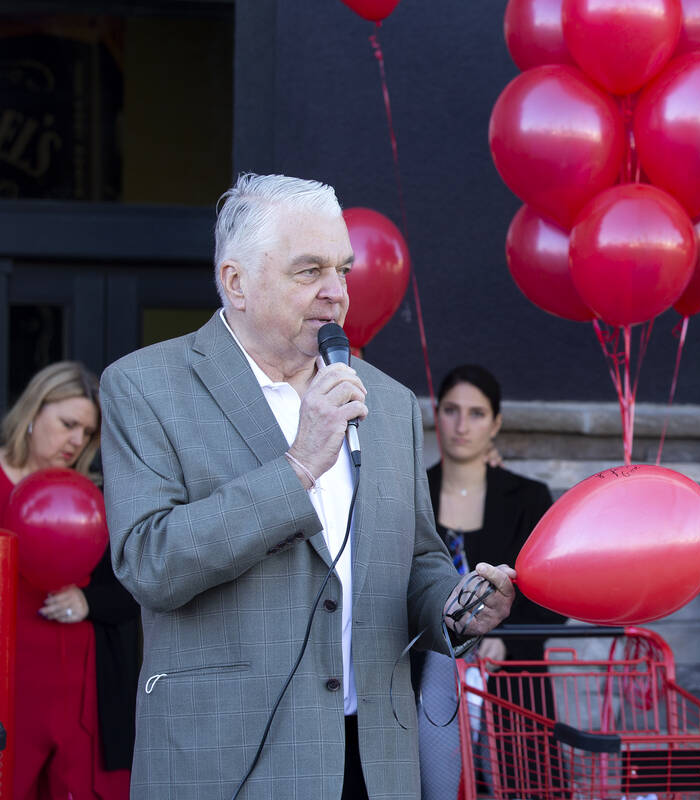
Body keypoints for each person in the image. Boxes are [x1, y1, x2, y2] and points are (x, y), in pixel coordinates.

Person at [100, 173, 516, 800]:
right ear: (236, 281)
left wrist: (459, 607)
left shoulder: (390, 400)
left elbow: (419, 560)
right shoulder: (146, 386)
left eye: (344, 270)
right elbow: (150, 564)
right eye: (309, 271)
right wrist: (298, 466)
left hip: (371, 760)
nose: (336, 293)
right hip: (227, 762)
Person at [415, 365, 566, 800]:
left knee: (519, 786)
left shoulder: (528, 497)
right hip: (426, 682)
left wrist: (508, 639)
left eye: (477, 413)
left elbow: (552, 594)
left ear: (496, 423)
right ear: (436, 415)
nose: (462, 426)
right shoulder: (412, 490)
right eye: (451, 410)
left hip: (511, 685)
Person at [1, 360, 139, 800]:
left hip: (79, 687)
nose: (76, 441)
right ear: (33, 411)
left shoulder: (94, 496)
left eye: (87, 433)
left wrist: (88, 602)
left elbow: (137, 582)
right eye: (67, 424)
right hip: (11, 683)